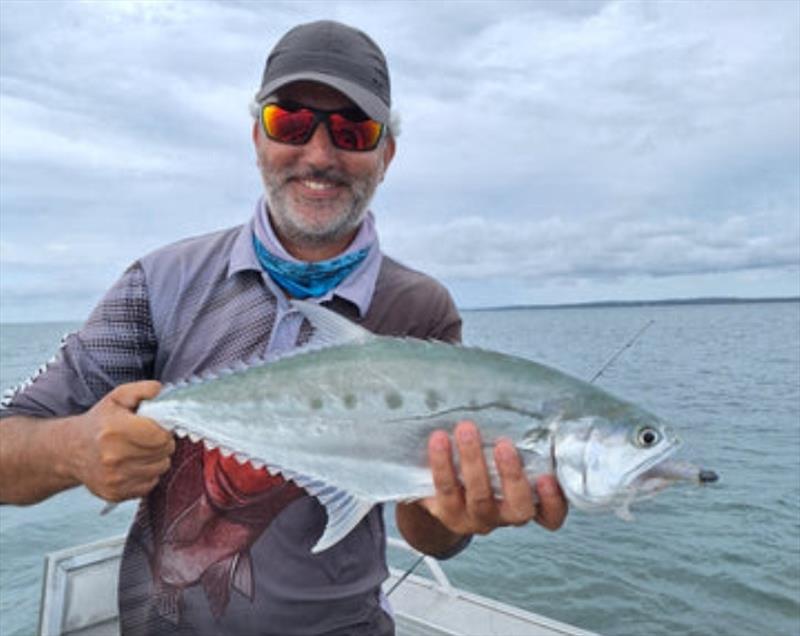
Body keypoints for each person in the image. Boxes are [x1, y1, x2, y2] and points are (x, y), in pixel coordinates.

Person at [0, 20, 567, 635]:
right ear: (257, 137)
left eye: (353, 130)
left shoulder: (418, 307)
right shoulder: (159, 282)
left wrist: (461, 514)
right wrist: (73, 449)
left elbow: (422, 523)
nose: (320, 156)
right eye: (291, 123)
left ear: (386, 154)